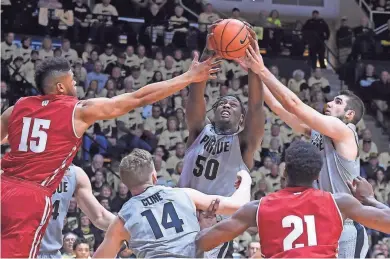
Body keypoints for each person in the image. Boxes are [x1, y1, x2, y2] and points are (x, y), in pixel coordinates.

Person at [0, 55, 220, 258]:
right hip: (30, 196)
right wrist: (189, 76)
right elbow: (138, 97)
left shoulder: (15, 109)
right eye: (72, 79)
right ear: (60, 87)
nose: (75, 82)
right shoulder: (78, 110)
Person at [243, 34, 368, 258]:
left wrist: (262, 69)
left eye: (338, 102)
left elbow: (295, 104)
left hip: (347, 225)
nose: (330, 102)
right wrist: (253, 72)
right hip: (324, 221)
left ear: (349, 115)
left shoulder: (346, 132)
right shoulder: (319, 132)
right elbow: (281, 110)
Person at [196, 141, 390, 258]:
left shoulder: (257, 208)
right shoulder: (339, 202)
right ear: (316, 176)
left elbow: (203, 243)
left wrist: (206, 227)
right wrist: (370, 198)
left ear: (285, 171)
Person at [178, 23, 264, 257]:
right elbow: (196, 94)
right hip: (183, 218)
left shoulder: (244, 143)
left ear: (241, 116)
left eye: (233, 104)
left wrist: (254, 66)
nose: (226, 105)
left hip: (217, 224)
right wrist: (208, 52)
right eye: (222, 103)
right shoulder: (198, 131)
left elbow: (256, 106)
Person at [93, 148, 252, 258]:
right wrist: (246, 179)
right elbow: (239, 205)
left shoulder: (123, 219)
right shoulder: (183, 194)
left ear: (125, 183)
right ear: (154, 176)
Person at [37, 165, 115, 258]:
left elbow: (100, 216)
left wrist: (129, 227)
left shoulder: (75, 173)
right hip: (20, 250)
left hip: (50, 253)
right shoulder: (18, 165)